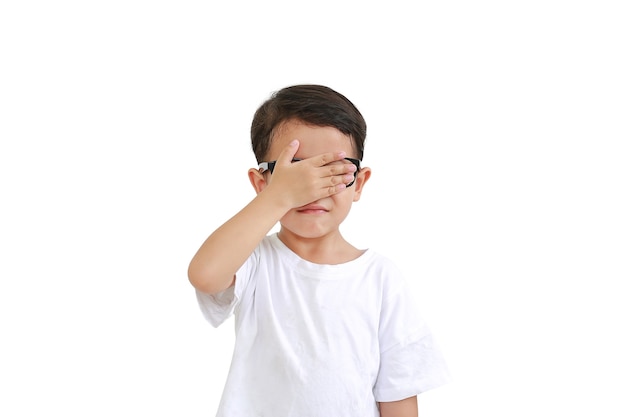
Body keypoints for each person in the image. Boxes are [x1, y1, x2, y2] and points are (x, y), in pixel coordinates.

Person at [188, 84, 450, 417]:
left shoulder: (379, 277)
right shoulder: (254, 260)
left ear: (359, 182)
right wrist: (279, 197)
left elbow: (397, 391)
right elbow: (205, 275)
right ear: (261, 184)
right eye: (294, 172)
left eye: (333, 171)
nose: (312, 188)